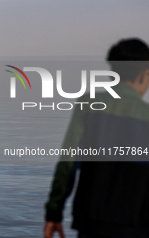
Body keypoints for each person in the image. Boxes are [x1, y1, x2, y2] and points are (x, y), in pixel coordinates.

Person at [44, 38, 149, 238]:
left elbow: (68, 165)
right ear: (145, 73)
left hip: (91, 224)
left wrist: (53, 212)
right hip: (138, 226)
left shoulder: (88, 105)